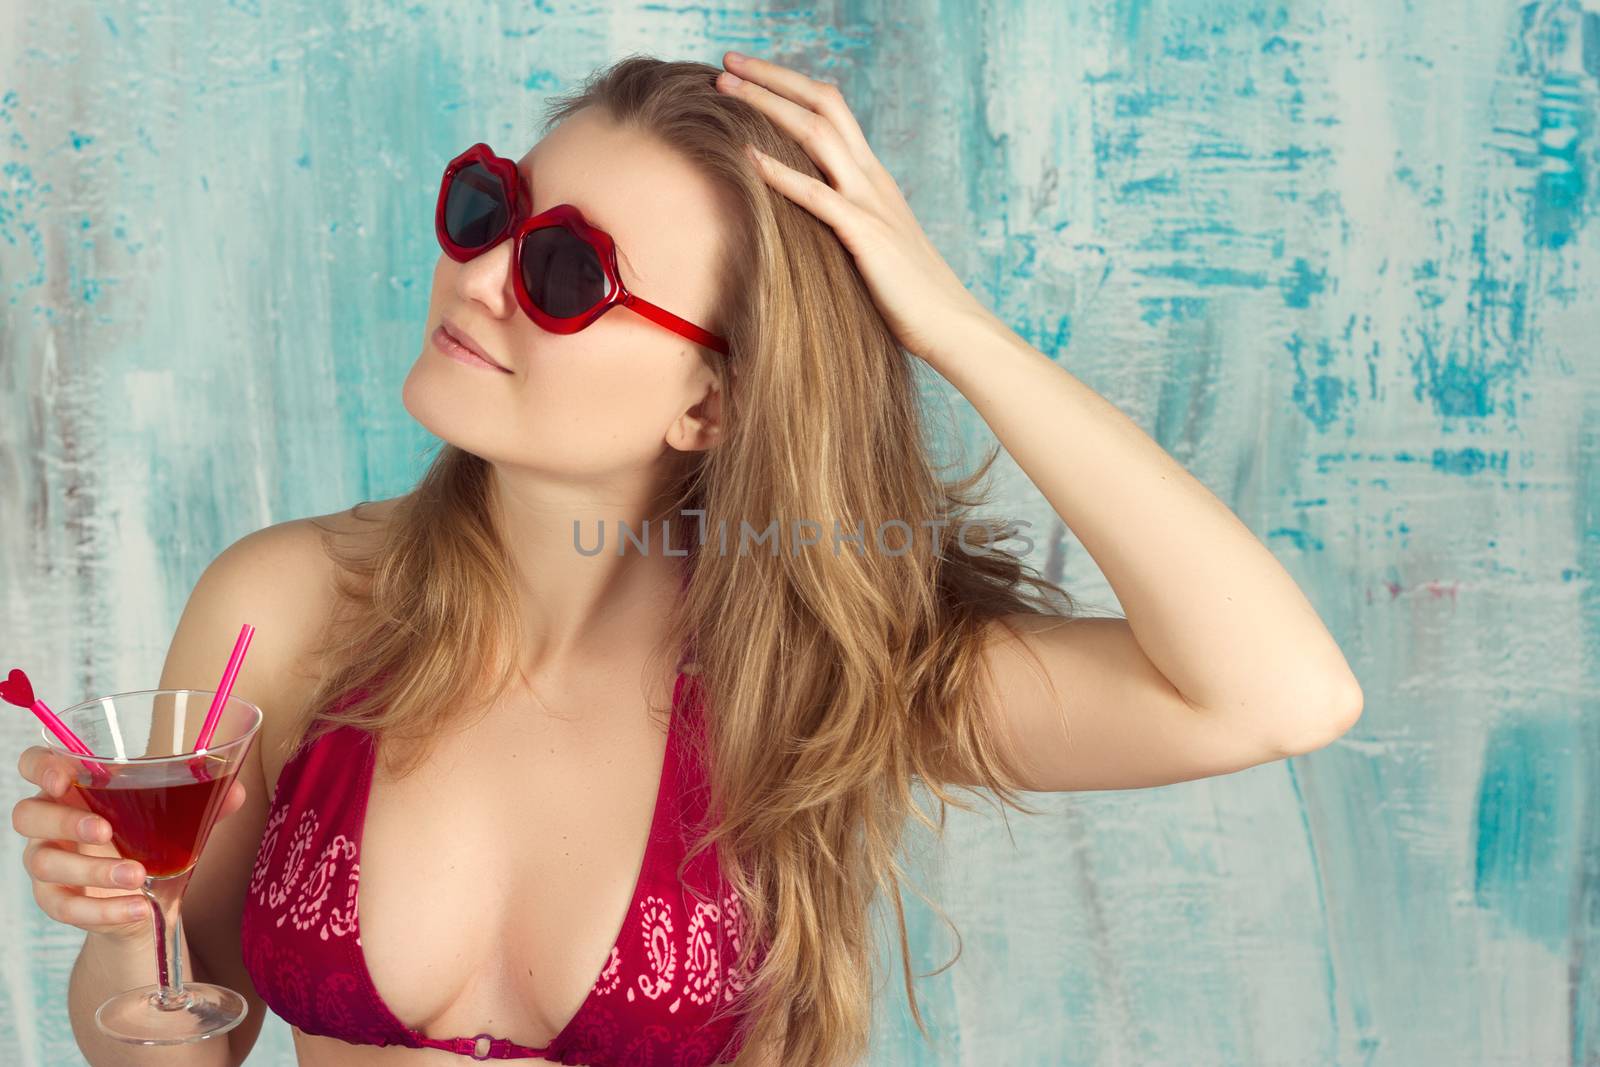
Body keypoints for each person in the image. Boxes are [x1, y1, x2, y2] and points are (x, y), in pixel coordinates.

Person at [12, 51, 1363, 1067]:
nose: (479, 277)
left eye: (562, 275)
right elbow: (172, 1043)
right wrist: (129, 929)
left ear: (708, 404)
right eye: (490, 210)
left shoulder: (818, 678)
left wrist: (953, 329)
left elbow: (1278, 696)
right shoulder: (291, 605)